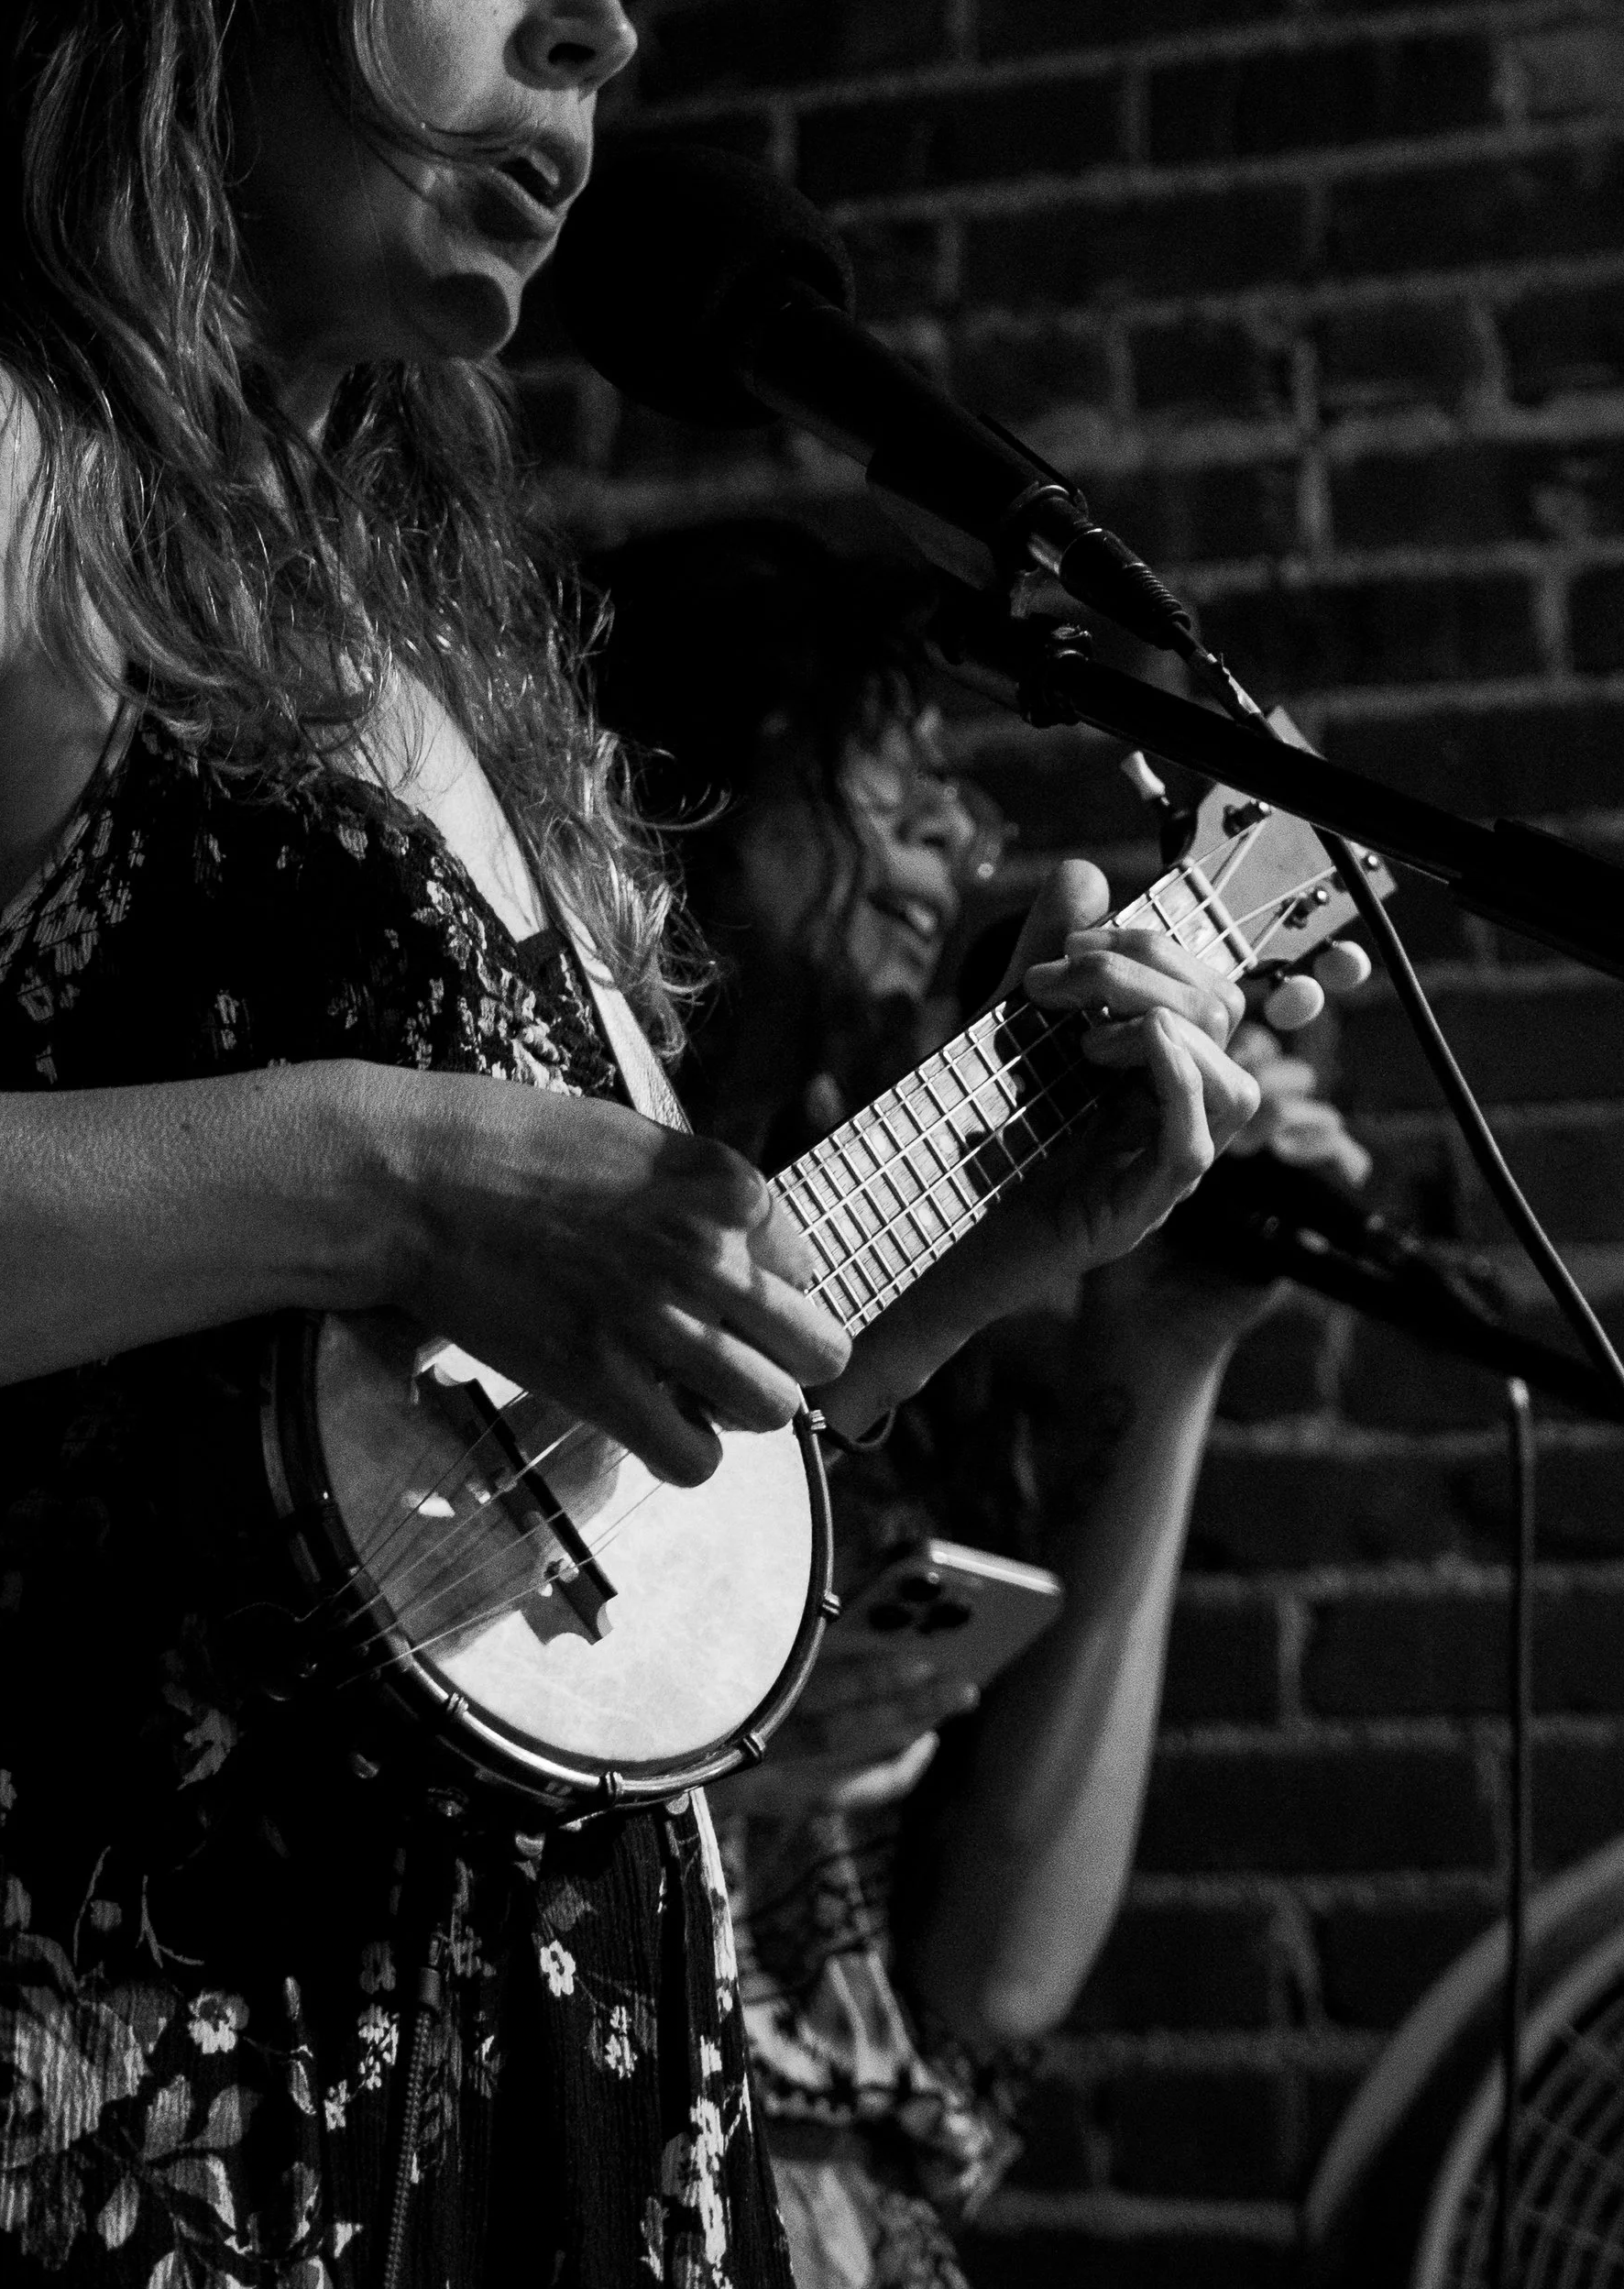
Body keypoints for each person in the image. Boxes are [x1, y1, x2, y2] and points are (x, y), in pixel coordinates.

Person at [0, 0, 1262, 2289]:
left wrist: (989, 1256)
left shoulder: (465, 692)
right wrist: (375, 1163)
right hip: (88, 2070)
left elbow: (519, 1491)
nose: (591, 38)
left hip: (534, 2112)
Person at [588, 523, 1371, 2289]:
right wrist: (719, 1761)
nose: (967, 833)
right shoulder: (549, 1227)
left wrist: (1172, 1359)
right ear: (676, 796)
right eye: (888, 773)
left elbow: (1000, 1978)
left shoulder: (933, 1279)